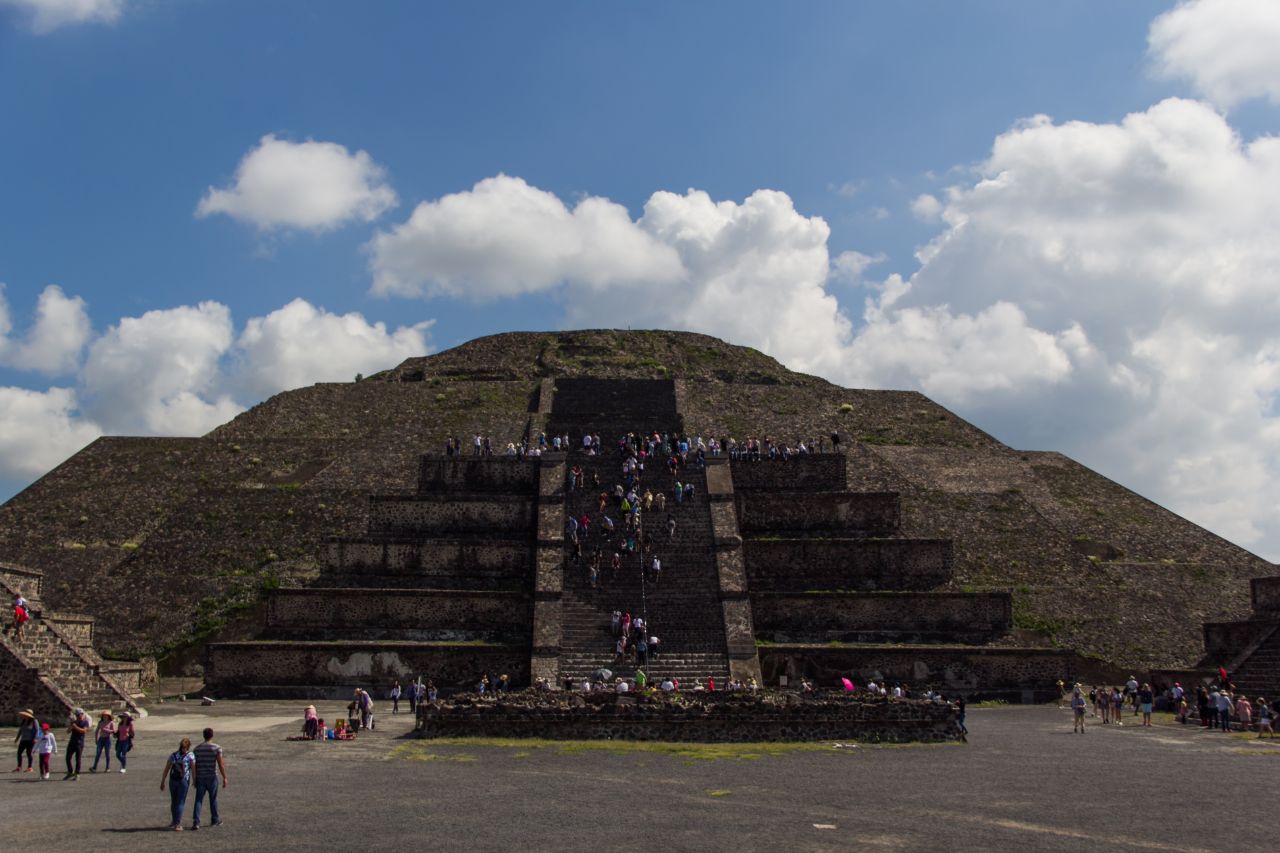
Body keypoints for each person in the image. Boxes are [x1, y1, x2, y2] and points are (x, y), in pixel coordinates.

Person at [191, 727, 227, 830]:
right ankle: (215, 819)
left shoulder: (197, 749)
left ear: (204, 736)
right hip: (212, 776)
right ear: (212, 735)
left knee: (198, 799)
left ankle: (196, 821)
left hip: (200, 776)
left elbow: (194, 765)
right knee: (213, 798)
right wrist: (225, 777)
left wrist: (194, 778)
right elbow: (220, 764)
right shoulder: (217, 748)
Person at [160, 737, 195, 831]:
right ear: (188, 746)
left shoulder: (173, 755)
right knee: (180, 802)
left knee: (174, 801)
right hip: (183, 780)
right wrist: (195, 780)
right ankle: (178, 824)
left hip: (172, 780)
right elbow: (193, 769)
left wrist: (163, 781)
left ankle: (174, 821)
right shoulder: (190, 755)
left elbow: (166, 769)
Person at [64, 707, 88, 779]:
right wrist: (71, 726)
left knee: (78, 759)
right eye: (77, 715)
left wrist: (75, 727)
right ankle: (70, 771)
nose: (78, 716)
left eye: (80, 714)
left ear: (82, 714)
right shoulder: (74, 722)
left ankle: (77, 773)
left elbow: (84, 731)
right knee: (67, 758)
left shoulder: (85, 722)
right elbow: (67, 732)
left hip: (79, 743)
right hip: (72, 742)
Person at [14, 708, 38, 773]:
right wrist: (17, 738)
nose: (24, 716)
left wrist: (35, 738)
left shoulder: (34, 721)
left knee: (29, 753)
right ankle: (19, 767)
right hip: (23, 740)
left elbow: (37, 730)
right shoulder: (24, 721)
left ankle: (30, 767)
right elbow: (20, 730)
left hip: (30, 740)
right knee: (19, 753)